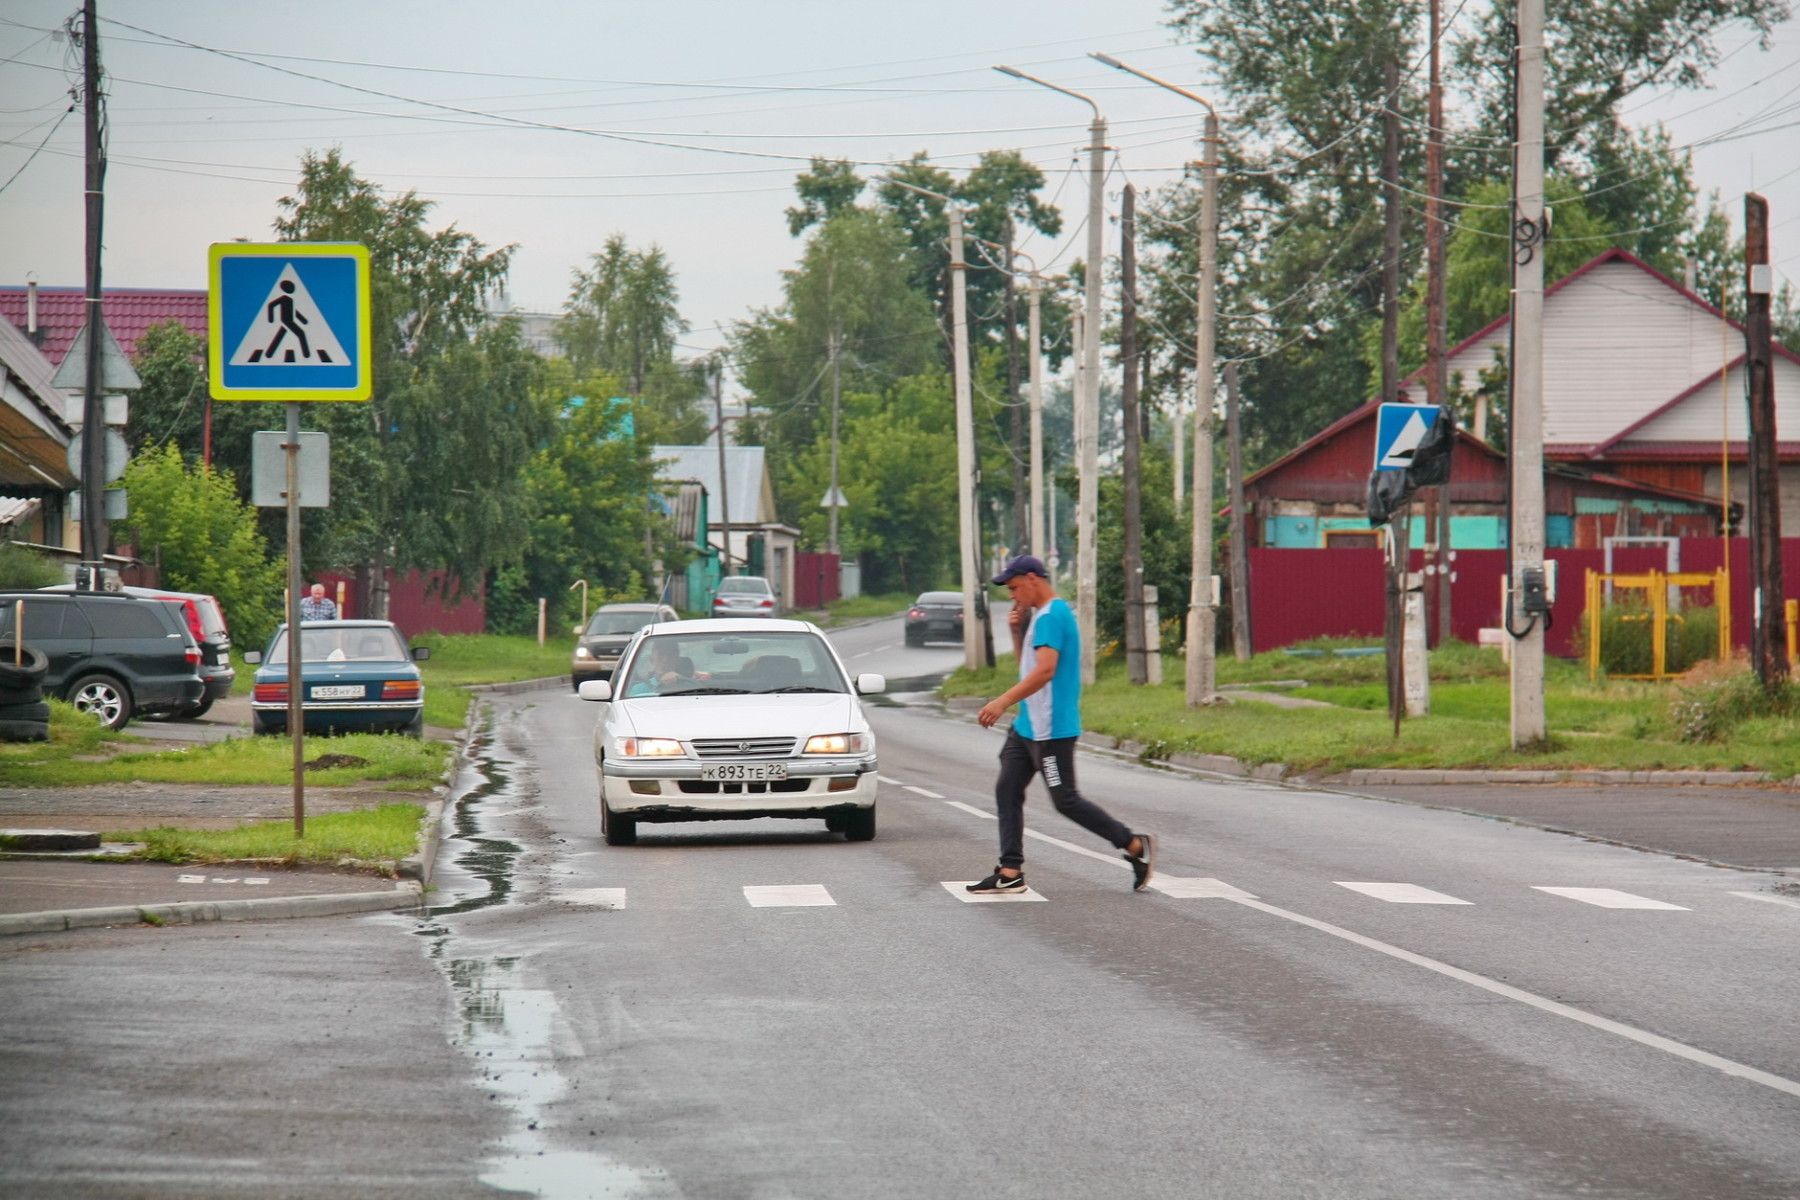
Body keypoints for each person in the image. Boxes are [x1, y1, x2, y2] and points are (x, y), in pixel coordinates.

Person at [968, 554, 1155, 895]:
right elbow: (1030, 666)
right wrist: (1014, 630)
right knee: (1007, 788)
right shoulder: (1041, 616)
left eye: (1013, 588)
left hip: (1051, 730)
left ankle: (1134, 845)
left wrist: (1001, 701)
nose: (1012, 595)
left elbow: (1045, 671)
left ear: (1031, 578)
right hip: (1028, 726)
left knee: (1065, 800)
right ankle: (1010, 870)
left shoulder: (1052, 616)